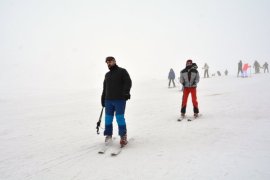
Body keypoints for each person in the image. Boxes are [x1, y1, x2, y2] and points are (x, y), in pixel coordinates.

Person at [101, 56, 132, 147]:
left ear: (114, 61)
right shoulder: (107, 75)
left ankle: (123, 136)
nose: (108, 63)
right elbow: (104, 88)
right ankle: (108, 135)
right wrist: (103, 99)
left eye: (110, 61)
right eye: (107, 62)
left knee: (119, 118)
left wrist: (126, 92)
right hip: (108, 100)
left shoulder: (122, 71)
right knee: (108, 119)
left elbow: (128, 82)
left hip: (120, 99)